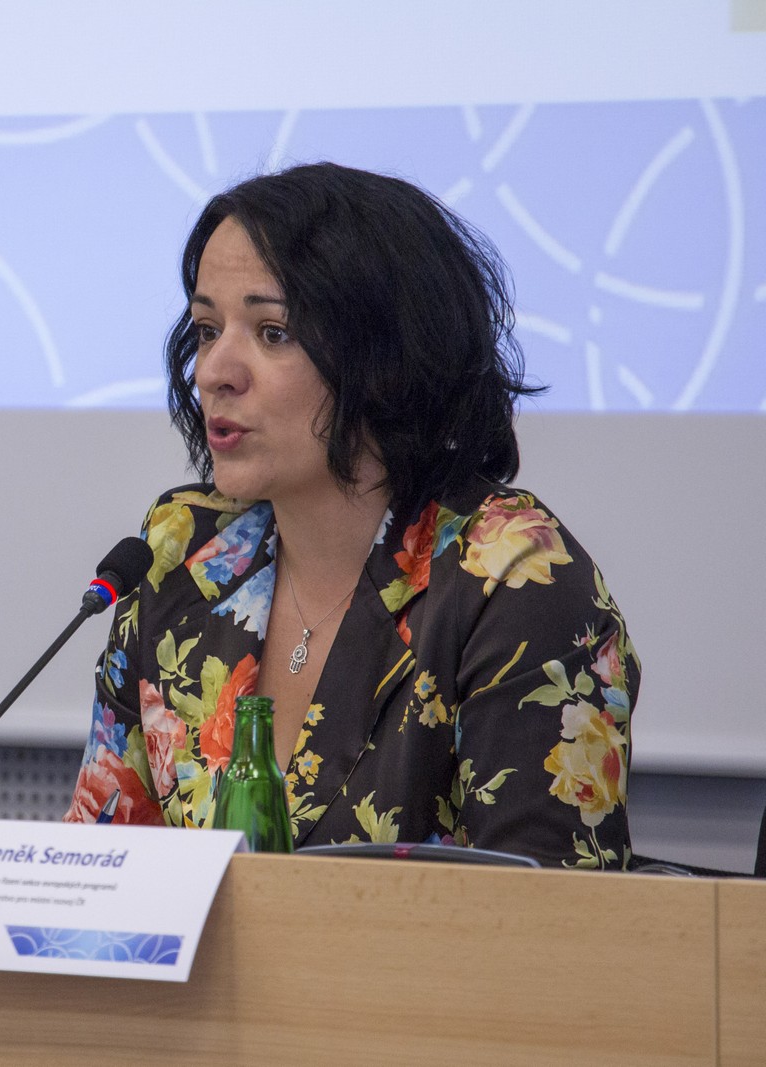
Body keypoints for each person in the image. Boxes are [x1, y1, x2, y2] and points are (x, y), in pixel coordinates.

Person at [64, 163, 637, 869]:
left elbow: (551, 919)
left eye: (273, 332)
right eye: (208, 329)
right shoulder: (179, 555)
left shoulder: (510, 578)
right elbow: (99, 877)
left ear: (386, 359)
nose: (214, 371)